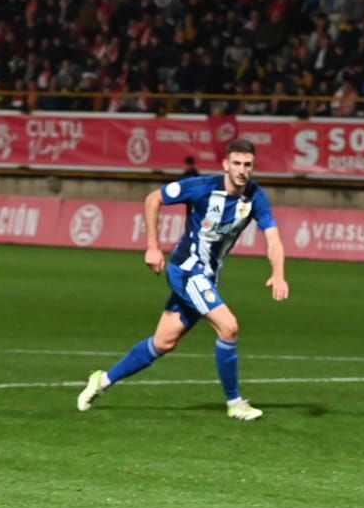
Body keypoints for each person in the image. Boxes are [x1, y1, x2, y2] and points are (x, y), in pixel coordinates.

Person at [77, 139, 289, 420]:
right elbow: (154, 198)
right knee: (229, 327)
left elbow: (273, 239)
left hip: (207, 277)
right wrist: (153, 246)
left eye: (247, 165)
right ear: (225, 165)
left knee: (163, 342)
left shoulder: (255, 197)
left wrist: (278, 273)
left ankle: (101, 380)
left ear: (253, 167)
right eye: (236, 163)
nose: (241, 170)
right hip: (187, 270)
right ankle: (235, 402)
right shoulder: (201, 187)